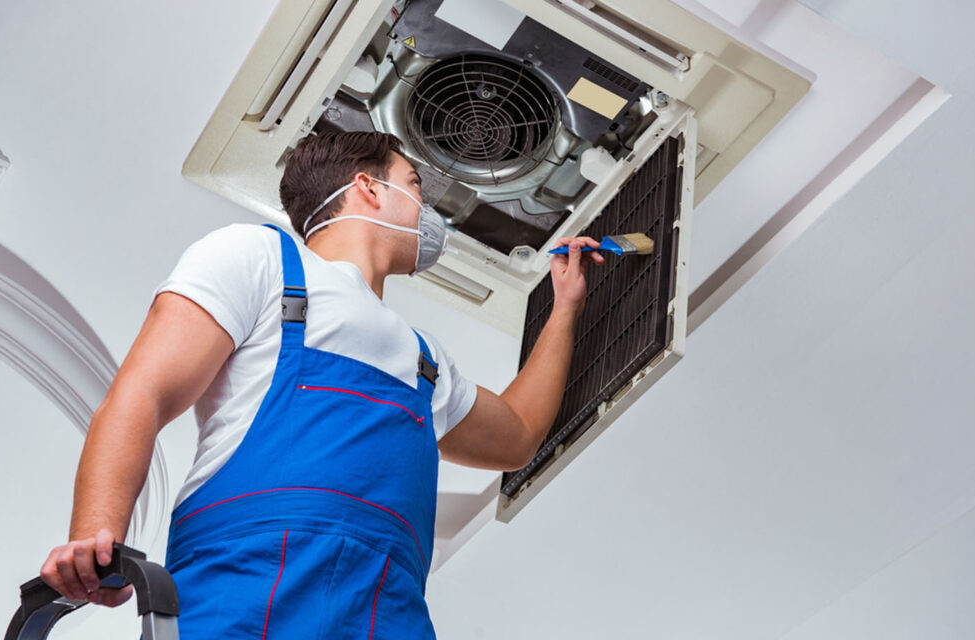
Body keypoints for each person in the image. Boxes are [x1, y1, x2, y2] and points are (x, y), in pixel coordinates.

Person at [39, 131, 602, 638]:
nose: (428, 213)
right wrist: (97, 537)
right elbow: (144, 392)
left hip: (388, 608)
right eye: (414, 185)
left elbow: (519, 434)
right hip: (245, 585)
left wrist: (564, 308)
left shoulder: (427, 360)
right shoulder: (260, 258)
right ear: (368, 188)